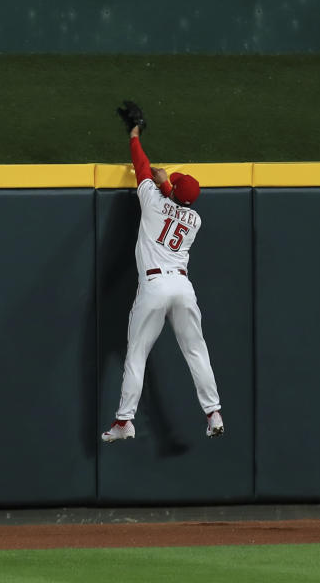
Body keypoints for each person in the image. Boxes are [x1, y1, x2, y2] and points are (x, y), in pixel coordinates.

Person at [102, 101, 223, 443]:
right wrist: (169, 185)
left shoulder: (153, 201)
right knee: (196, 351)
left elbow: (141, 165)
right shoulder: (195, 220)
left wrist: (136, 134)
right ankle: (213, 412)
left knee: (137, 354)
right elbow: (177, 200)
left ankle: (125, 421)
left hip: (154, 285)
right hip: (183, 288)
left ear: (172, 190)